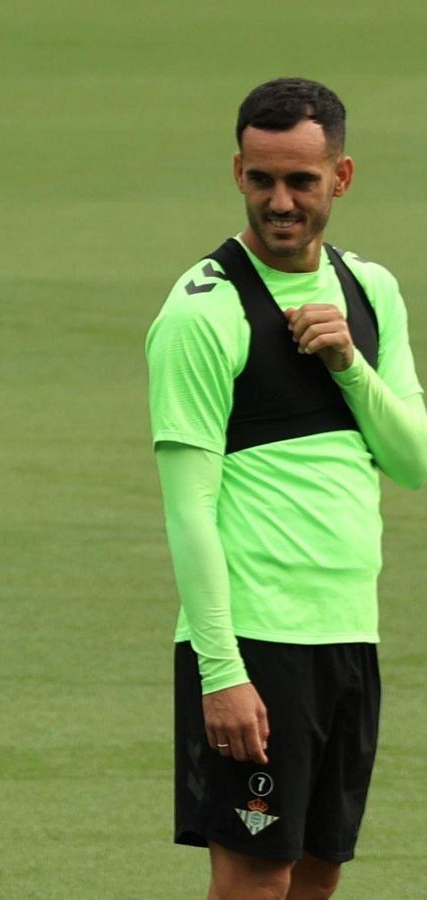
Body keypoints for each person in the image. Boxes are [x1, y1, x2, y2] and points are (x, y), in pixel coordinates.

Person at [147, 77, 427, 899]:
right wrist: (220, 669)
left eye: (301, 181)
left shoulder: (371, 292)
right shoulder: (204, 312)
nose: (280, 201)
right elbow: (188, 507)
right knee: (253, 885)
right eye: (261, 179)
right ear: (238, 170)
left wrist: (348, 366)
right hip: (256, 642)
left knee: (315, 878)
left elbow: (413, 460)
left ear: (340, 178)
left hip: (348, 637)